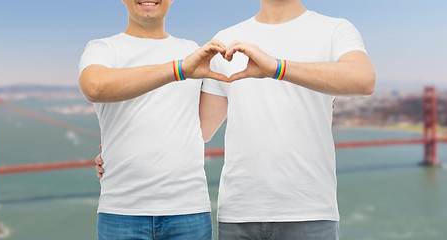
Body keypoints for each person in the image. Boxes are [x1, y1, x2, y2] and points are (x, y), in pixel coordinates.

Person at [197, 0, 376, 239]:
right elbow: (201, 130)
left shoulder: (335, 29)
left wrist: (277, 68)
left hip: (310, 214)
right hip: (238, 214)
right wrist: (180, 73)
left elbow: (363, 80)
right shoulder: (225, 39)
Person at [78, 0, 227, 239]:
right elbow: (94, 87)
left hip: (188, 210)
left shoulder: (193, 50)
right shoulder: (102, 48)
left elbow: (202, 131)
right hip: (121, 211)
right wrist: (179, 69)